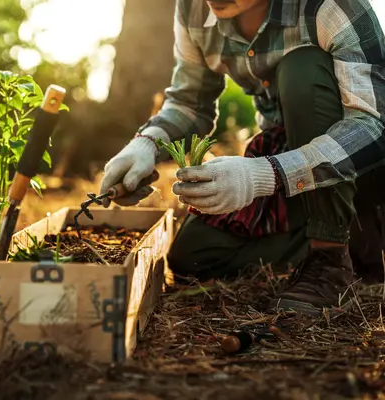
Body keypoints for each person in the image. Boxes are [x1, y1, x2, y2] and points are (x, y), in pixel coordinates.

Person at [99, 0, 385, 317]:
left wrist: (265, 174)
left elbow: (372, 127)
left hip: (366, 165)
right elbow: (190, 104)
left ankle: (329, 258)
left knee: (301, 68)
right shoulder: (193, 9)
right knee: (194, 254)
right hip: (299, 169)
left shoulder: (330, 6)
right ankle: (359, 236)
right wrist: (146, 144)